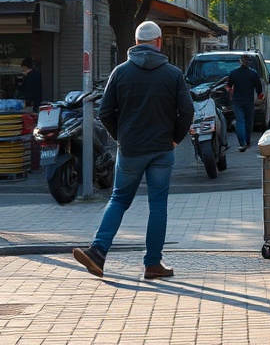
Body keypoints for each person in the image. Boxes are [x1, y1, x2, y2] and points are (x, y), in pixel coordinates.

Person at [72, 20, 194, 280]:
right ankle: (152, 264)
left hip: (130, 149)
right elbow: (187, 112)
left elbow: (105, 112)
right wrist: (174, 139)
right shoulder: (173, 74)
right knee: (158, 205)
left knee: (118, 199)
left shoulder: (120, 72)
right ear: (159, 42)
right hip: (162, 149)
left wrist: (121, 137)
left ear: (136, 43)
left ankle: (98, 252)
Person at [227, 54, 263, 151]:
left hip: (237, 101)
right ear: (249, 62)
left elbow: (229, 86)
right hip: (249, 101)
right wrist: (260, 96)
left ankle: (242, 142)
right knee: (248, 121)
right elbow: (259, 88)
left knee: (240, 121)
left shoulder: (233, 73)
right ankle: (247, 141)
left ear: (240, 61)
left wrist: (229, 93)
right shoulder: (253, 74)